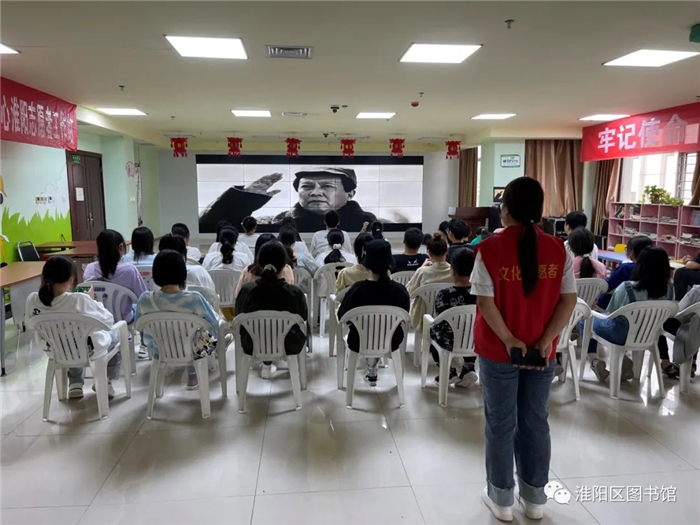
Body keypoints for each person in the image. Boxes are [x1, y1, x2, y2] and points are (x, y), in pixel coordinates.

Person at [470, 177, 577, 521]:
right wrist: (545, 340)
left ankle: (501, 498)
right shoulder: (558, 249)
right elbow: (569, 300)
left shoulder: (489, 248)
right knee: (535, 421)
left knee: (500, 424)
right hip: (542, 352)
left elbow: (485, 303)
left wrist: (509, 340)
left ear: (507, 210)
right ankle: (534, 499)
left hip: (499, 351)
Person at [26, 255, 124, 399]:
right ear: (71, 279)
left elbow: (30, 325)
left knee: (69, 339)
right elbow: (108, 321)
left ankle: (75, 384)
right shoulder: (79, 299)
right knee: (117, 334)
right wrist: (92, 301)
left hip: (55, 351)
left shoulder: (33, 300)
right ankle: (106, 381)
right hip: (88, 350)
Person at [586, 246, 674, 382]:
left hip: (622, 334)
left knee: (587, 319)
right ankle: (623, 359)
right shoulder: (669, 290)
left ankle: (594, 360)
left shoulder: (627, 287)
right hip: (651, 336)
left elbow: (611, 314)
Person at [135, 249, 220, 390]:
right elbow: (213, 323)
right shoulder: (194, 298)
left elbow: (138, 326)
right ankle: (193, 372)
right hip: (194, 351)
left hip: (159, 349)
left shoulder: (145, 299)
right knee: (208, 332)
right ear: (182, 273)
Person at [199, 167, 377, 232]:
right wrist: (244, 199)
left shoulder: (372, 224)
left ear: (350, 193)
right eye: (307, 186)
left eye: (327, 186)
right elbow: (211, 226)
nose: (315, 193)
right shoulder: (273, 222)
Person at [338, 240, 410, 386]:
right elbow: (404, 316)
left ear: (367, 263)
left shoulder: (356, 290)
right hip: (392, 341)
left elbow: (342, 317)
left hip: (359, 340)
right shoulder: (400, 291)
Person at [235, 240, 308, 379]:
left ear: (259, 263)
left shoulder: (246, 291)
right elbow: (303, 319)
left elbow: (238, 316)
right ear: (284, 264)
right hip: (288, 344)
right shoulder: (295, 293)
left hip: (251, 343)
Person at [429, 247, 478, 388]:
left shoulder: (445, 294)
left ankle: (449, 371)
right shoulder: (481, 292)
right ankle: (469, 367)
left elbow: (440, 318)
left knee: (431, 329)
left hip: (450, 341)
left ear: (453, 270)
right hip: (476, 339)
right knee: (471, 328)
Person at [83, 229, 148, 324]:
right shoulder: (129, 270)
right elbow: (143, 297)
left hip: (98, 320)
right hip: (123, 320)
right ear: (121, 247)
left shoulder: (89, 268)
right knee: (135, 306)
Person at [406, 233, 452, 332]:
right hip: (447, 317)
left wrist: (421, 268)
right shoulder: (454, 272)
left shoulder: (422, 272)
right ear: (446, 251)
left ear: (429, 253)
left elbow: (409, 292)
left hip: (423, 318)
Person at [597, 235, 654, 308]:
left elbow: (607, 287)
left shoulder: (626, 268)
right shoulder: (656, 270)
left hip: (618, 306)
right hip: (647, 308)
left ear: (631, 252)